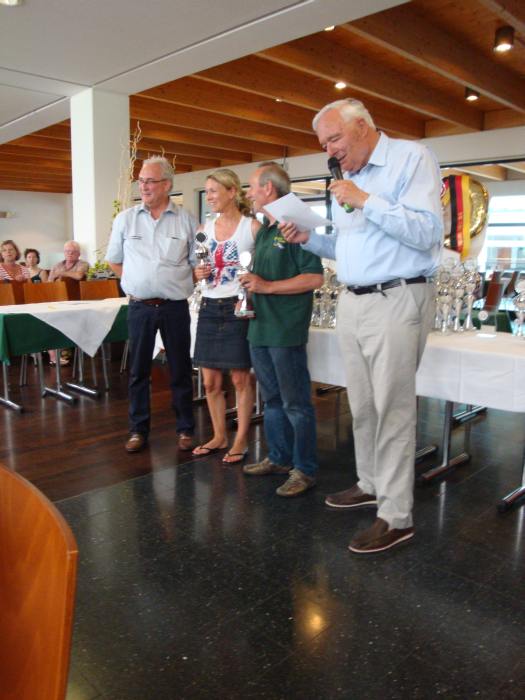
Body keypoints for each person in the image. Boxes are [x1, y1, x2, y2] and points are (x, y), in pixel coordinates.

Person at [282, 99, 443, 552]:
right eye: (323, 144)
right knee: (364, 405)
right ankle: (371, 483)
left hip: (397, 296)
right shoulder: (348, 179)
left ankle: (397, 516)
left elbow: (427, 232)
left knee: (393, 407)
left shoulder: (411, 158)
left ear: (362, 127)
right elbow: (349, 246)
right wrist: (310, 239)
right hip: (353, 300)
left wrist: (366, 201)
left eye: (334, 139)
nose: (330, 151)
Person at [240, 162, 323, 497]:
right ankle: (278, 457)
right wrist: (249, 288)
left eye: (251, 187)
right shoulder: (265, 230)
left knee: (295, 403)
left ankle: (304, 469)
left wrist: (267, 287)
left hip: (285, 330)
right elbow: (261, 278)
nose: (248, 193)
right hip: (259, 327)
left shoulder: (294, 228)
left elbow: (314, 278)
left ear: (268, 189)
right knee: (271, 399)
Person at [106, 155, 197, 454]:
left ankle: (185, 429)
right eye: (141, 181)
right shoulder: (125, 219)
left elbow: (197, 263)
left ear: (167, 184)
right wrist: (137, 282)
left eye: (150, 181)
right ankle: (137, 430)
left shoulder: (187, 220)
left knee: (180, 369)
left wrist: (173, 283)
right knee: (138, 372)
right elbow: (114, 261)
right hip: (140, 307)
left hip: (174, 307)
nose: (143, 186)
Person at [192, 169, 260, 464]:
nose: (209, 197)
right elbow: (199, 268)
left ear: (232, 191)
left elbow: (264, 266)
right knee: (209, 383)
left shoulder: (252, 227)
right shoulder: (203, 230)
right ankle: (219, 436)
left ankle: (241, 439)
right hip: (209, 306)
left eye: (213, 191)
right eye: (207, 191)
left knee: (240, 379)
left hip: (238, 306)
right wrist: (198, 272)